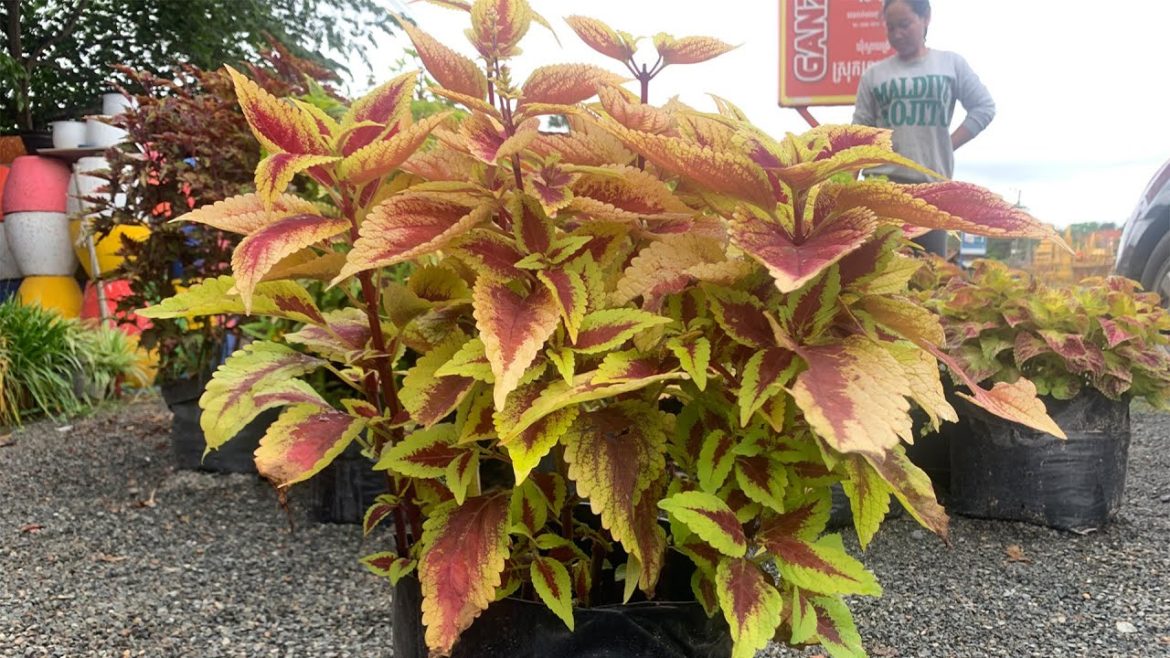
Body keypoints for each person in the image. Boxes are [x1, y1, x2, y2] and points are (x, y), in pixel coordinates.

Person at [852, 0, 996, 256]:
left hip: (931, 192)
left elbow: (984, 108)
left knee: (929, 281)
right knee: (878, 280)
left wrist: (947, 144)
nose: (897, 34)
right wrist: (846, 192)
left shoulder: (950, 64)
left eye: (905, 24)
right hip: (882, 190)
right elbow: (859, 134)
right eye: (891, 27)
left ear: (926, 17)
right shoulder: (874, 75)